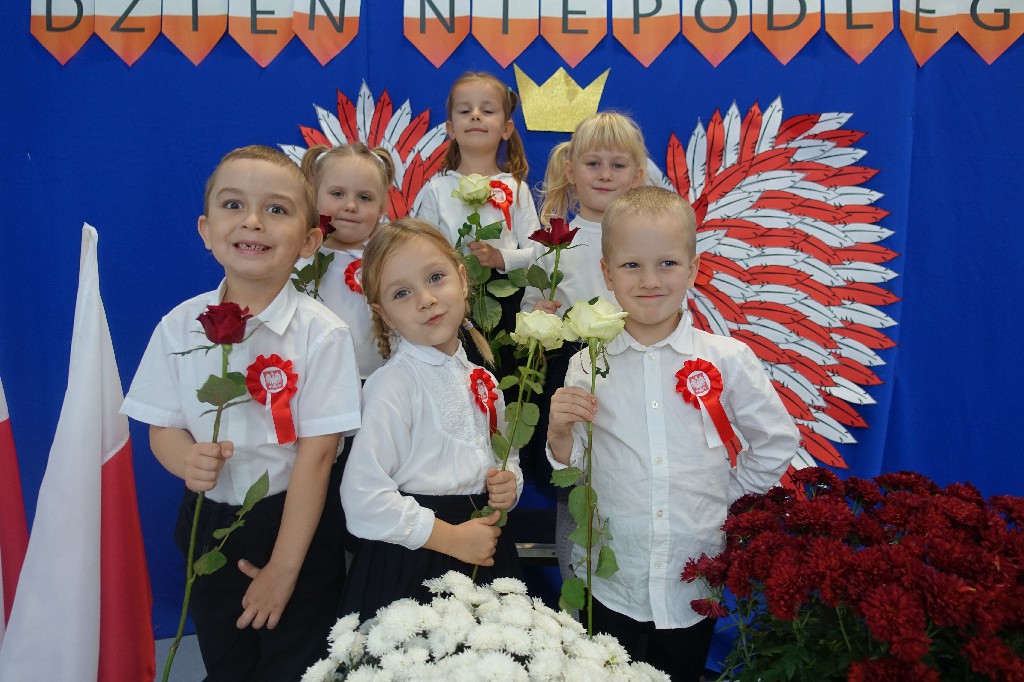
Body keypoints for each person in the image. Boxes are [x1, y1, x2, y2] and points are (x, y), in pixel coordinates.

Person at [121, 145, 361, 681]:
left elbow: (318, 457)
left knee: (295, 665)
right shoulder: (178, 327)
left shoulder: (323, 335)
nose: (253, 221)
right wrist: (185, 460)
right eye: (234, 205)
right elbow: (162, 426)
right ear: (206, 230)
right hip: (208, 523)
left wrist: (283, 569)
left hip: (295, 521)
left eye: (276, 209)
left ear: (309, 241)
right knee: (226, 660)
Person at [547, 186, 799, 681]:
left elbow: (776, 441)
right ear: (607, 273)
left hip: (692, 575)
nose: (649, 280)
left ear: (693, 269)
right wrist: (558, 431)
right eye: (631, 265)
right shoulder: (587, 363)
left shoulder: (727, 359)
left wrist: (725, 496)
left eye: (666, 264)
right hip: (612, 574)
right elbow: (573, 463)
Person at [339, 218, 524, 622]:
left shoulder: (485, 379)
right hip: (416, 559)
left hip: (485, 545)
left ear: (462, 279)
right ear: (384, 314)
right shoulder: (392, 385)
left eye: (436, 278)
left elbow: (503, 456)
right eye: (401, 293)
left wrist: (509, 482)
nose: (425, 299)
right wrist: (451, 538)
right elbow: (362, 498)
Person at [520, 111, 648, 582]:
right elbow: (528, 316)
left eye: (618, 165)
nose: (605, 175)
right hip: (570, 380)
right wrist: (541, 316)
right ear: (570, 171)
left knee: (630, 477)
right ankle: (577, 599)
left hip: (632, 377)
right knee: (573, 488)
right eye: (593, 164)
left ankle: (629, 586)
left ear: (637, 175)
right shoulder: (551, 245)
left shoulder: (645, 239)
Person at [414, 71, 540, 274]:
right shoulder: (437, 189)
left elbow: (538, 253)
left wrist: (500, 258)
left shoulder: (516, 189)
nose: (475, 115)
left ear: (506, 129)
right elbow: (420, 251)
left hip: (505, 291)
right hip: (450, 288)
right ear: (451, 128)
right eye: (465, 111)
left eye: (487, 111)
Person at [298, 142, 396, 380]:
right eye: (337, 194)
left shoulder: (390, 262)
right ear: (314, 195)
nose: (351, 206)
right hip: (313, 381)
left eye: (364, 197)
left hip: (378, 382)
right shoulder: (297, 260)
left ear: (381, 207)